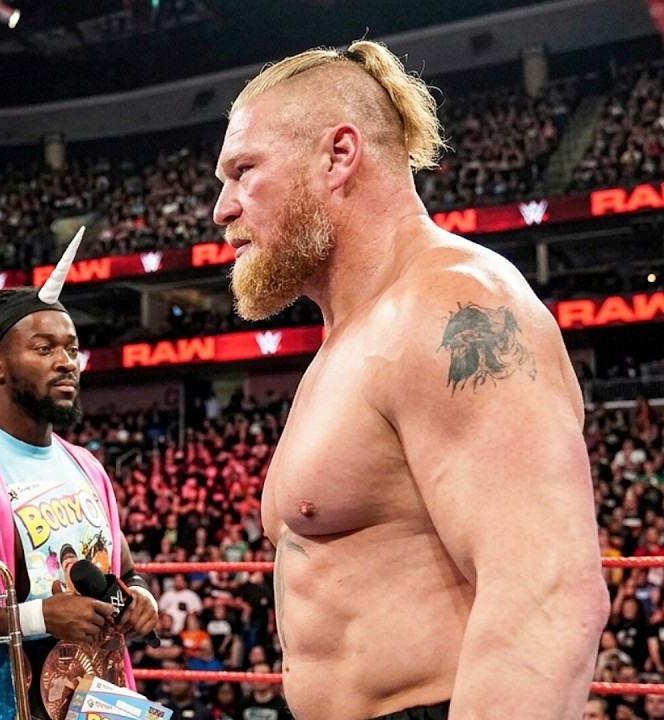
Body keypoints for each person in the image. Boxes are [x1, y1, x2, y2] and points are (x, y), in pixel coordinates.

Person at [210, 39, 607, 719]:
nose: (223, 208)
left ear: (339, 155)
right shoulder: (352, 336)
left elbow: (546, 593)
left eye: (244, 170)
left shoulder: (454, 305)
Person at [0, 228, 159, 720]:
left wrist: (140, 594)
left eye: (71, 349)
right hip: (7, 701)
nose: (66, 363)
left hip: (102, 700)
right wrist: (39, 617)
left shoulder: (87, 466)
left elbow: (123, 569)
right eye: (44, 349)